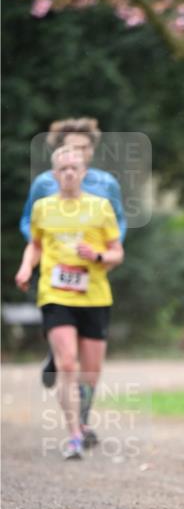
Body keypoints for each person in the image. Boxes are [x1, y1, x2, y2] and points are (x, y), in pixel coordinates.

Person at [15, 146, 124, 459]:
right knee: (67, 364)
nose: (69, 173)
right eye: (62, 169)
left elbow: (117, 252)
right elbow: (34, 246)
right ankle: (74, 434)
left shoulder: (101, 207)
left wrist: (99, 256)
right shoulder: (42, 208)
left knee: (90, 372)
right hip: (54, 293)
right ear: (54, 174)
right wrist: (26, 268)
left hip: (95, 295)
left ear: (84, 173)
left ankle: (83, 418)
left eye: (74, 168)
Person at [20, 117, 126, 391]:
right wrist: (42, 250)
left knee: (89, 326)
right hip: (56, 264)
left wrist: (107, 252)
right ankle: (59, 356)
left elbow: (119, 220)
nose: (78, 153)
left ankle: (76, 391)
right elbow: (28, 221)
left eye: (84, 148)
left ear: (92, 150)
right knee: (61, 317)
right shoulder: (44, 183)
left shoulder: (107, 183)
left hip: (93, 263)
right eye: (71, 148)